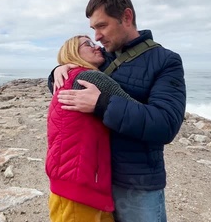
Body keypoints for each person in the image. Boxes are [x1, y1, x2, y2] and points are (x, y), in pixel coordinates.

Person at [50, 0, 186, 222]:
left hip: (137, 184)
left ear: (126, 17)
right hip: (97, 178)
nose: (97, 37)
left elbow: (166, 125)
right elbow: (71, 85)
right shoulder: (102, 58)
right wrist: (58, 70)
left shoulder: (166, 61)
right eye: (94, 29)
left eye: (102, 26)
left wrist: (102, 104)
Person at [46, 35, 141, 222]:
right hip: (80, 187)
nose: (96, 46)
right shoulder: (90, 77)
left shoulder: (66, 78)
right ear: (73, 52)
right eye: (88, 44)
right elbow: (135, 112)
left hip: (70, 182)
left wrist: (58, 68)